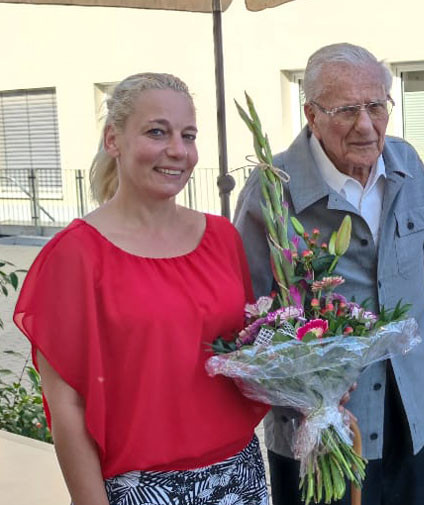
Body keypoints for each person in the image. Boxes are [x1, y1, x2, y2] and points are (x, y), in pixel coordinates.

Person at [233, 43, 424, 505]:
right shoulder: (274, 189)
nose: (366, 125)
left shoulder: (408, 166)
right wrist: (299, 394)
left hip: (412, 414)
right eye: (346, 110)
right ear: (311, 113)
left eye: (375, 106)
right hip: (322, 429)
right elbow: (249, 315)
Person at [13, 73, 270, 505]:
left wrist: (311, 376)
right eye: (157, 132)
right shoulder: (73, 256)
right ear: (113, 139)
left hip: (239, 475)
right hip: (140, 491)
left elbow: (242, 355)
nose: (178, 150)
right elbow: (68, 411)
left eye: (188, 135)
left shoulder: (223, 237)